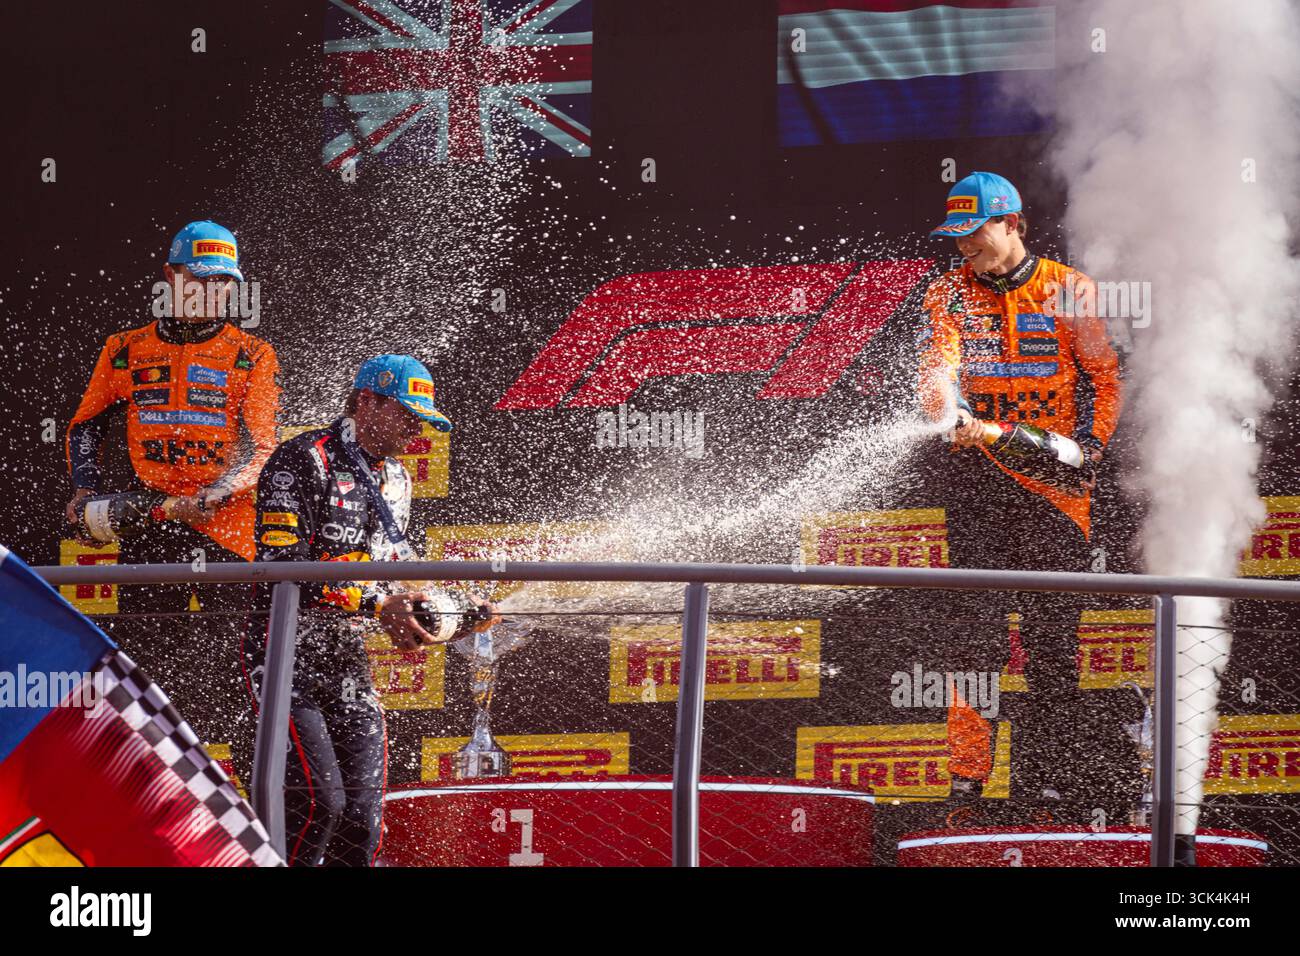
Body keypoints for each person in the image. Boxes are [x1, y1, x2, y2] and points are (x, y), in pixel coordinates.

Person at [916, 172, 1125, 811]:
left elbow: (1106, 380)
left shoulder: (1070, 289)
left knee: (1052, 650)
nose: (962, 246)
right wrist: (945, 409)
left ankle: (1049, 785)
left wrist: (1088, 450)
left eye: (971, 232)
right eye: (953, 236)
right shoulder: (947, 292)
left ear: (1011, 223)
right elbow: (938, 370)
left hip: (1054, 493)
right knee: (972, 648)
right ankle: (966, 786)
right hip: (977, 485)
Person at [242, 354, 496, 867]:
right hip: (283, 652)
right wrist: (380, 603)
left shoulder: (398, 479)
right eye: (405, 414)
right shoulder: (303, 459)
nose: (414, 429)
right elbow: (283, 565)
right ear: (366, 401)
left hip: (347, 654)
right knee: (318, 804)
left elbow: (391, 566)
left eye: (421, 420)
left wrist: (449, 608)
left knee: (361, 815)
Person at [64, 220, 280, 592]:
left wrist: (217, 492)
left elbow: (263, 446)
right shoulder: (124, 349)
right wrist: (85, 490)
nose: (215, 291)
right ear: (171, 274)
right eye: (202, 278)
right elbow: (88, 424)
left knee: (231, 646)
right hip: (149, 520)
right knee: (145, 644)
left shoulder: (253, 354)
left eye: (224, 282)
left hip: (226, 526)